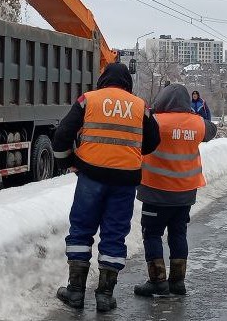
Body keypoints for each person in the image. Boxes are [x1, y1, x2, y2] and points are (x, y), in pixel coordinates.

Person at [53, 63, 160, 312]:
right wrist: (129, 151)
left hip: (90, 176)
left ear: (103, 80)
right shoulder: (140, 105)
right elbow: (154, 140)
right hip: (124, 181)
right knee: (114, 233)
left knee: (81, 230)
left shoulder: (88, 100)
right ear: (127, 83)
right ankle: (104, 295)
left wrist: (68, 162)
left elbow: (62, 134)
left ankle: (76, 291)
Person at [133, 83, 218, 298]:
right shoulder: (198, 124)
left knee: (152, 234)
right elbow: (212, 130)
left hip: (156, 190)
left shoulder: (156, 122)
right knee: (178, 233)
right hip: (185, 192)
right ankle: (178, 282)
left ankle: (157, 281)